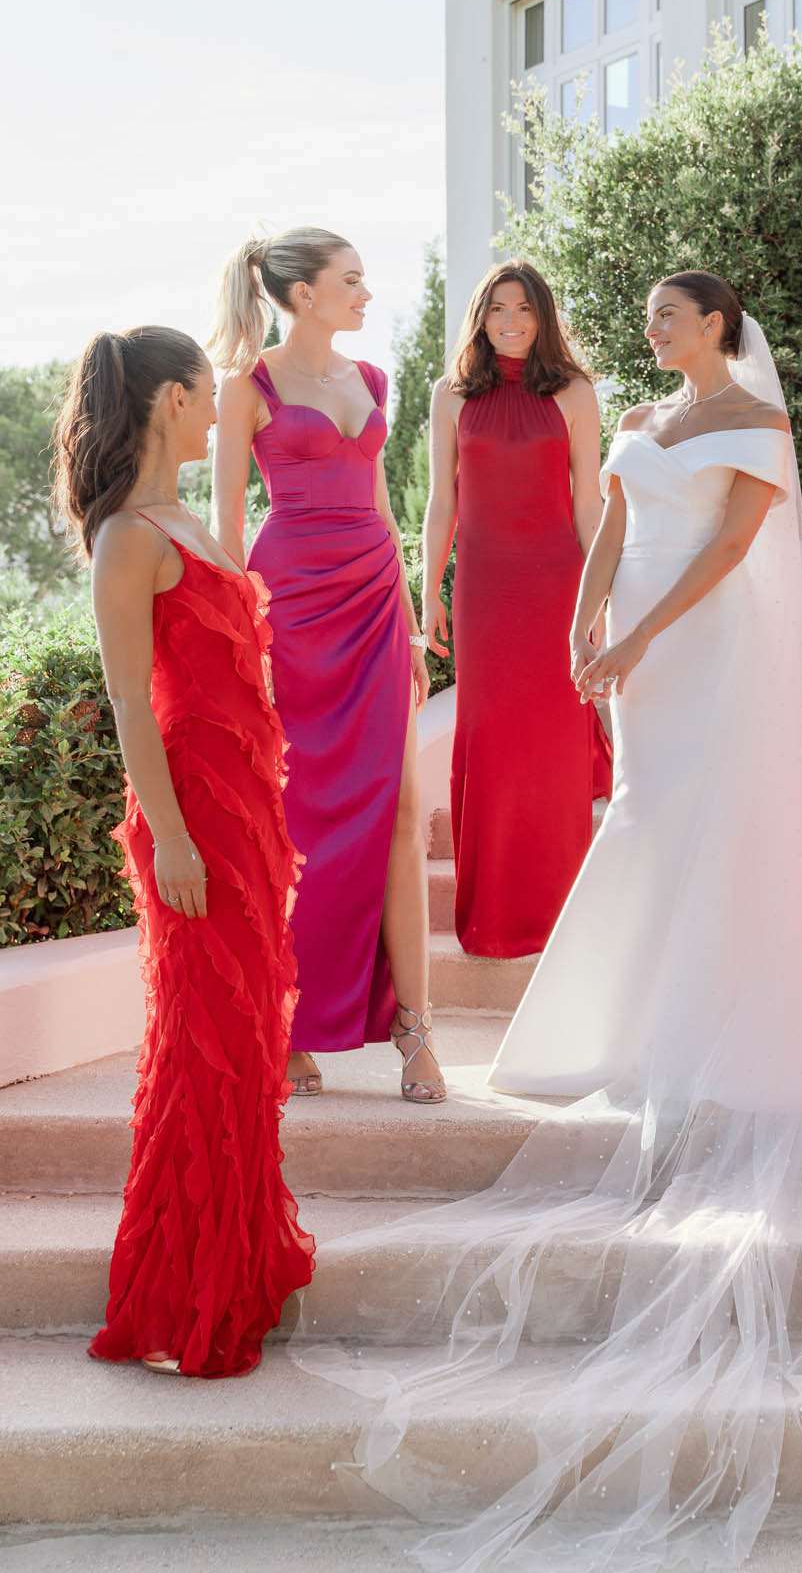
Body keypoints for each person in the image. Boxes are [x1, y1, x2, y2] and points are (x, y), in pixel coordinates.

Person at [290, 272, 802, 1572]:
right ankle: (638, 1033)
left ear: (721, 328)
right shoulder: (642, 416)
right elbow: (611, 520)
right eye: (653, 322)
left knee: (708, 835)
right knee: (647, 830)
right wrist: (586, 618)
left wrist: (642, 638)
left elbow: (730, 550)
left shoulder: (757, 426)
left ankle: (711, 1037)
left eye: (673, 317)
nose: (655, 331)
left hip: (703, 649)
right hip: (628, 650)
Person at [53, 327, 314, 1377]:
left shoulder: (195, 522)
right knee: (204, 1047)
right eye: (208, 395)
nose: (221, 413)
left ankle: (238, 1274)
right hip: (191, 819)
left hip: (247, 813)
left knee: (246, 1046)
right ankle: (186, 1293)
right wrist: (170, 837)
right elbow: (130, 700)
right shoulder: (126, 536)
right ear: (169, 400)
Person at [210, 229, 443, 1104]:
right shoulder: (248, 387)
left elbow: (384, 509)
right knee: (293, 813)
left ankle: (415, 1029)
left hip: (375, 602)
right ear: (302, 293)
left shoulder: (372, 379)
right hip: (292, 605)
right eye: (351, 281)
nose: (365, 294)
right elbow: (230, 527)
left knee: (399, 806)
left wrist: (413, 628)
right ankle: (291, 1019)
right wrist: (242, 638)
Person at [422, 262, 611, 958]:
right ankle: (494, 916)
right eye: (498, 308)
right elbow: (442, 501)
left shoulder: (574, 392)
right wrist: (429, 590)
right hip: (481, 590)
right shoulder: (449, 395)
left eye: (524, 309)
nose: (510, 320)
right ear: (480, 315)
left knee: (553, 745)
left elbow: (588, 501)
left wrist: (600, 593)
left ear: (543, 318)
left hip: (557, 585)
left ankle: (560, 915)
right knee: (490, 739)